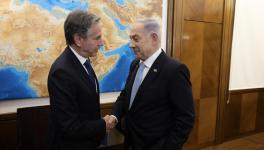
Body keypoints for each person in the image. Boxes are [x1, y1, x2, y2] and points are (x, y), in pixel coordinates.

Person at [109, 19, 195, 150]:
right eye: (130, 39)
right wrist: (115, 116)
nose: (131, 45)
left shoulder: (174, 70)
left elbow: (185, 118)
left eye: (136, 39)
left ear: (154, 38)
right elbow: (126, 95)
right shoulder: (135, 65)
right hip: (131, 142)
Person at [47, 10, 112, 150]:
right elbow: (69, 126)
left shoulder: (83, 62)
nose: (102, 42)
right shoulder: (62, 72)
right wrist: (103, 124)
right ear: (78, 40)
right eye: (97, 37)